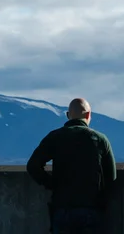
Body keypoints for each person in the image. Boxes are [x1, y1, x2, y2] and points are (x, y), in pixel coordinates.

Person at [26, 97, 117, 233]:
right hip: (91, 209)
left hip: (62, 208)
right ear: (88, 115)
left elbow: (33, 166)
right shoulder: (100, 139)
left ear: (68, 116)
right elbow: (111, 177)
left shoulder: (55, 137)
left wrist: (51, 184)